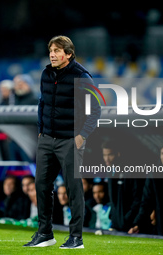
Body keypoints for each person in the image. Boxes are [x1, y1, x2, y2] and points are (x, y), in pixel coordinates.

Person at [24, 35, 101, 249]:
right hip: (47, 139)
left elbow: (95, 110)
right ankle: (45, 233)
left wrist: (81, 135)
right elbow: (42, 103)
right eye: (50, 49)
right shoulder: (46, 73)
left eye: (57, 50)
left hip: (70, 140)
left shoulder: (82, 76)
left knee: (73, 189)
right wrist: (41, 131)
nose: (52, 54)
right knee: (41, 185)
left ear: (68, 54)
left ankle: (76, 237)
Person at [128, 145, 163, 236]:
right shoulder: (154, 175)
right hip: (162, 223)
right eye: (162, 154)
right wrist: (138, 224)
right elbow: (146, 202)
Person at [103, 140, 144, 233]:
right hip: (116, 224)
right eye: (104, 155)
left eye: (110, 155)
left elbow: (137, 199)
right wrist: (113, 218)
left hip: (130, 225)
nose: (106, 159)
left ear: (118, 154)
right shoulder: (110, 172)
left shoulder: (131, 172)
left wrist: (128, 220)